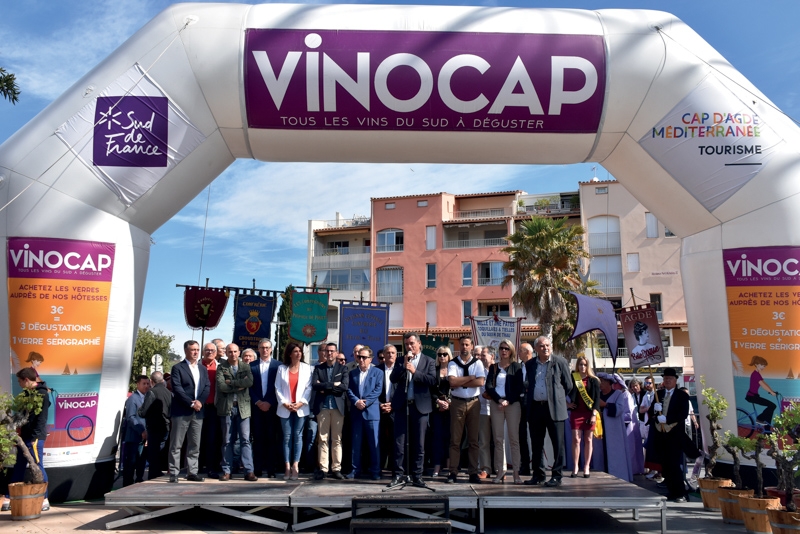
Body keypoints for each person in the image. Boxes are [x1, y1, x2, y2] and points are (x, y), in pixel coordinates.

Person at [386, 332, 436, 489]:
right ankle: (398, 475)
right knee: (399, 443)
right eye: (407, 344)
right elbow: (393, 378)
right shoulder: (401, 360)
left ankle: (417, 476)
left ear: (419, 344)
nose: (409, 346)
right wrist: (404, 365)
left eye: (412, 343)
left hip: (420, 407)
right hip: (402, 406)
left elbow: (432, 380)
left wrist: (415, 372)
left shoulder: (429, 361)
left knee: (419, 444)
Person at [524, 336, 574, 487]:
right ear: (536, 349)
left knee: (557, 444)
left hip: (555, 409)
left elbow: (569, 385)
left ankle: (557, 476)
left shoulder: (560, 362)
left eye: (547, 345)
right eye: (542, 346)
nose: (545, 348)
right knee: (537, 444)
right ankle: (538, 475)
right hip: (535, 408)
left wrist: (557, 398)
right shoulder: (531, 364)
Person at [2, 368, 51, 512]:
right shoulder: (26, 394)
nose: (19, 384)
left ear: (27, 380)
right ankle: (9, 496)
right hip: (25, 436)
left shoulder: (41, 394)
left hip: (35, 437)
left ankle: (44, 498)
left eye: (20, 381)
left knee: (37, 465)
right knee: (19, 466)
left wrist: (34, 438)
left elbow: (39, 419)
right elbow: (24, 416)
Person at [168, 340, 210, 483]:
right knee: (176, 444)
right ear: (186, 351)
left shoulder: (202, 369)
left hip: (198, 412)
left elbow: (206, 387)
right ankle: (174, 472)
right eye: (192, 349)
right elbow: (177, 388)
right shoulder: (178, 368)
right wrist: (191, 403)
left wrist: (200, 402)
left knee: (195, 444)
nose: (196, 352)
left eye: (197, 349)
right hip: (181, 411)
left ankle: (192, 472)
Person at [447, 335, 486, 484]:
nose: (464, 347)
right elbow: (452, 382)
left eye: (467, 344)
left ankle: (473, 472)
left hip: (473, 403)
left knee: (473, 440)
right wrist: (470, 377)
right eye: (462, 344)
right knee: (455, 440)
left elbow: (481, 381)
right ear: (459, 345)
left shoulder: (478, 363)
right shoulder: (453, 363)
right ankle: (453, 472)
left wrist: (461, 381)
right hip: (457, 403)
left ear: (471, 346)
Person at [485, 339, 525, 484]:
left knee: (514, 439)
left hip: (512, 405)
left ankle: (516, 473)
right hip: (497, 404)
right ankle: (500, 472)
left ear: (511, 351)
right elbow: (488, 386)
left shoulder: (517, 367)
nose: (504, 351)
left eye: (507, 348)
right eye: (502, 348)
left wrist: (508, 400)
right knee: (498, 439)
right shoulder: (493, 367)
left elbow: (519, 387)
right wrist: (499, 400)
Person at [649, 367, 691, 502]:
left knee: (674, 464)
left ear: (675, 380)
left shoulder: (682, 395)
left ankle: (681, 493)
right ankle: (672, 491)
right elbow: (649, 413)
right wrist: (655, 413)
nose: (667, 380)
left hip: (674, 435)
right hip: (661, 435)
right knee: (665, 465)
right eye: (665, 378)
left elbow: (683, 414)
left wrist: (668, 419)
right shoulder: (658, 394)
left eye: (670, 378)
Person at [216, 343, 256, 481]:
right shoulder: (221, 367)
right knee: (227, 440)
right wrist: (239, 385)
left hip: (243, 408)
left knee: (245, 440)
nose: (232, 354)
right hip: (227, 407)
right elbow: (221, 386)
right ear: (226, 353)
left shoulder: (245, 366)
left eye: (235, 351)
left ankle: (249, 471)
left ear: (239, 352)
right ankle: (227, 471)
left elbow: (249, 382)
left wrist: (231, 383)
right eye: (230, 351)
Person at [275, 342, 313, 480]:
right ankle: (286, 466)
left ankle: (295, 465)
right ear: (290, 354)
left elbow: (309, 388)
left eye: (299, 351)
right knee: (286, 437)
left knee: (298, 436)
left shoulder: (307, 368)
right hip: (285, 408)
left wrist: (301, 403)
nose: (298, 353)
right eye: (295, 351)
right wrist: (285, 403)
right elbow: (278, 388)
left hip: (301, 408)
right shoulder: (281, 369)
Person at [312, 342, 348, 480]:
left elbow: (344, 387)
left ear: (336, 352)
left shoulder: (342, 369)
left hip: (338, 407)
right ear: (324, 353)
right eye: (327, 351)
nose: (330, 353)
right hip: (323, 407)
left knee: (337, 439)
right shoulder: (318, 368)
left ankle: (336, 468)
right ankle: (323, 468)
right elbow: (315, 385)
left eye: (332, 351)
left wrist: (325, 387)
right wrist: (333, 385)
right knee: (322, 439)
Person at [347, 346, 383, 479]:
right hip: (357, 413)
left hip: (372, 413)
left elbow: (378, 390)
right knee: (355, 444)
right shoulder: (352, 373)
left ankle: (375, 471)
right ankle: (355, 470)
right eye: (359, 357)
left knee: (374, 444)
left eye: (364, 357)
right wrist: (357, 401)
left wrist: (365, 402)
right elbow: (349, 389)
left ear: (370, 359)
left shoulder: (378, 372)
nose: (361, 359)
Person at [595, 373, 637, 482]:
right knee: (600, 454)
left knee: (615, 454)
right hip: (599, 430)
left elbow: (619, 409)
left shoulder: (618, 394)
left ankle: (619, 476)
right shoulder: (597, 395)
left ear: (609, 382)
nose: (600, 384)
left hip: (614, 431)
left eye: (602, 381)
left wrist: (606, 405)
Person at [250, 338, 280, 478]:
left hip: (272, 408)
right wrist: (257, 402)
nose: (265, 350)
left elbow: (279, 388)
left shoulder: (278, 366)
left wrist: (270, 402)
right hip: (256, 408)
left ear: (271, 349)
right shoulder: (251, 366)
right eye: (262, 348)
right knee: (257, 438)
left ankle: (271, 469)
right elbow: (249, 387)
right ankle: (258, 468)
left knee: (271, 438)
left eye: (267, 347)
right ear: (258, 349)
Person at [567, 355, 599, 479]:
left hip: (589, 412)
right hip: (576, 412)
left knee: (588, 440)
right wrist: (567, 404)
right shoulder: (573, 378)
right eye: (581, 364)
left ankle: (586, 466)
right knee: (576, 439)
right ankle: (575, 466)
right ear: (577, 366)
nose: (583, 367)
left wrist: (594, 414)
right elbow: (562, 390)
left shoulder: (593, 380)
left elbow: (596, 398)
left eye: (585, 365)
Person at [139, 371, 172, 479]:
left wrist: (140, 410)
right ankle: (158, 473)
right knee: (160, 451)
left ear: (151, 381)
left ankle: (153, 475)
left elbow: (144, 412)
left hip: (154, 427)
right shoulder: (169, 393)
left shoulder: (152, 392)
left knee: (153, 453)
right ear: (162, 380)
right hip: (166, 426)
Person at [123, 375, 151, 486]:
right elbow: (131, 417)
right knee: (131, 463)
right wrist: (141, 430)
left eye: (148, 384)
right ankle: (127, 485)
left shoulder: (147, 398)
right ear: (137, 384)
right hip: (134, 437)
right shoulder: (132, 399)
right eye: (144, 384)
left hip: (144, 437)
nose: (146, 386)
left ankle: (139, 480)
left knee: (141, 462)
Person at [430, 346, 452, 477]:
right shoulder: (434, 370)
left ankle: (450, 466)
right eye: (439, 354)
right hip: (437, 408)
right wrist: (438, 401)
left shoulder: (454, 370)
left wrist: (449, 403)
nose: (442, 356)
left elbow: (458, 388)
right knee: (437, 437)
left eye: (445, 354)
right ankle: (437, 466)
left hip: (452, 407)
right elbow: (431, 390)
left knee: (450, 437)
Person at [199, 342, 221, 478]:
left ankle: (211, 467)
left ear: (216, 352)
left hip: (214, 407)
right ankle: (198, 466)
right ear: (203, 351)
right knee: (197, 438)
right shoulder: (197, 366)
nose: (210, 352)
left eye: (212, 350)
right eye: (207, 350)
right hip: (198, 407)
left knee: (213, 439)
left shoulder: (220, 367)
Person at [377, 344, 397, 478]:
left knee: (396, 441)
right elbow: (371, 392)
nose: (390, 355)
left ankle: (396, 470)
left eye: (393, 353)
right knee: (380, 441)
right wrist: (380, 404)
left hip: (396, 411)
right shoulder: (376, 370)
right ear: (383, 355)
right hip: (379, 410)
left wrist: (392, 405)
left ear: (396, 355)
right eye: (387, 352)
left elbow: (404, 392)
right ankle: (379, 469)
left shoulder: (401, 370)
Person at [517, 342, 534, 476]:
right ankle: (525, 464)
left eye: (520, 351)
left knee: (535, 436)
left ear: (527, 352)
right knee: (521, 435)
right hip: (520, 403)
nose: (518, 353)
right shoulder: (519, 366)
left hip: (533, 403)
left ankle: (537, 465)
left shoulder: (535, 365)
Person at [746, 355, 778, 426]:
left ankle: (767, 430)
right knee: (772, 406)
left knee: (771, 409)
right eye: (762, 365)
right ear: (756, 364)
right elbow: (762, 385)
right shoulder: (755, 374)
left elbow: (764, 383)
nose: (763, 367)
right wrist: (771, 392)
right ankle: (759, 418)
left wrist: (772, 391)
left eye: (764, 366)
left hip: (755, 396)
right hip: (751, 396)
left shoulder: (758, 374)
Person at [477, 346, 493, 479]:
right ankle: (485, 468)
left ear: (492, 356)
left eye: (484, 355)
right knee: (483, 442)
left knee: (499, 441)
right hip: (482, 410)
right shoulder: (479, 370)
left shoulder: (498, 370)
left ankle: (500, 469)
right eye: (481, 355)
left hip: (497, 409)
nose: (482, 357)